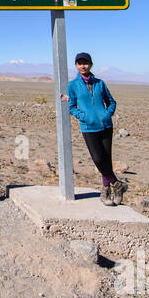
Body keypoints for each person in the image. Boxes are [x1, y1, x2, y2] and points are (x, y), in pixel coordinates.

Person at [60, 52, 126, 206]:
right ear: (76, 65)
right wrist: (84, 117)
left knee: (106, 160)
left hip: (105, 126)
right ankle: (117, 184)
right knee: (97, 159)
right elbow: (71, 106)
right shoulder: (73, 85)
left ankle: (107, 190)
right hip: (89, 127)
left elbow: (111, 101)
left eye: (86, 63)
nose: (83, 66)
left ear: (91, 64)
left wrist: (107, 114)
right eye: (80, 63)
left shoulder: (100, 83)